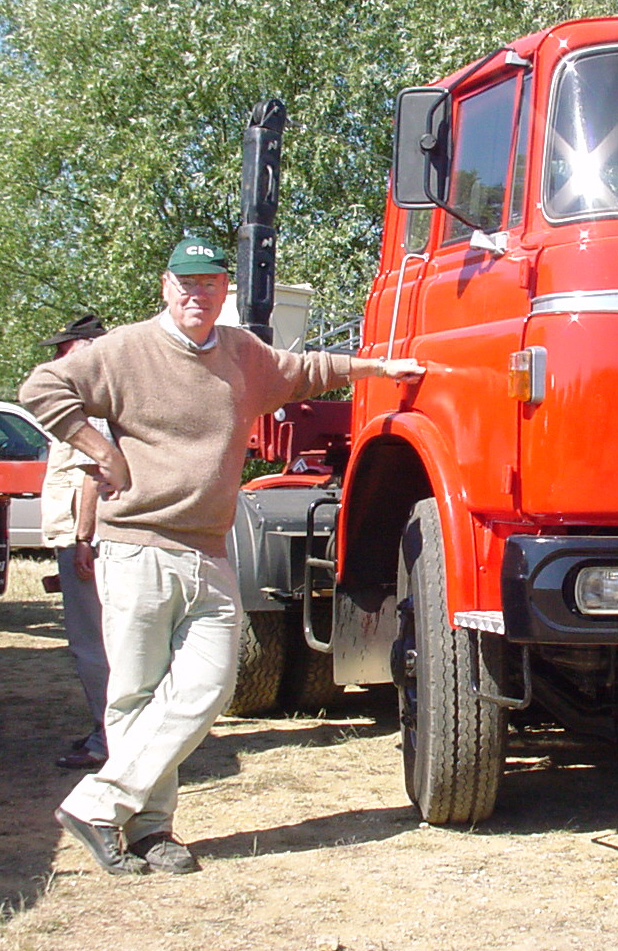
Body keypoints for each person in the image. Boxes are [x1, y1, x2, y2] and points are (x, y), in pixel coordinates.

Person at [20, 236, 424, 875]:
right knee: (133, 696)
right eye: (185, 282)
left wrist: (380, 370)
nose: (196, 294)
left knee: (209, 686)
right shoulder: (123, 350)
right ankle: (149, 833)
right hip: (139, 548)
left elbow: (310, 369)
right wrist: (101, 450)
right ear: (165, 286)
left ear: (222, 290)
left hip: (208, 553)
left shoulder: (242, 354)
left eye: (208, 283)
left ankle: (101, 802)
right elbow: (42, 388)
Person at [35, 314, 112, 771]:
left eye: (64, 348)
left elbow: (91, 474)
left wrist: (84, 538)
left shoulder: (91, 395)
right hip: (87, 539)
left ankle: (107, 738)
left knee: (94, 644)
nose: (58, 357)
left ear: (83, 347)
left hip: (90, 542)